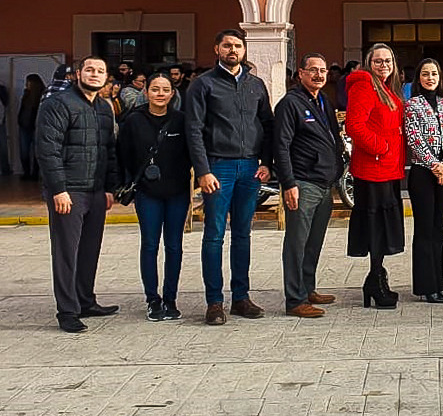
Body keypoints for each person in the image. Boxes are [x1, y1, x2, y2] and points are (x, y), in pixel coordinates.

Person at [185, 29, 274, 326]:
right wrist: (203, 170)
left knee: (243, 234)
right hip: (218, 167)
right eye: (227, 46)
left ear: (244, 50)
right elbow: (193, 130)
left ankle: (241, 297)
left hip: (250, 168)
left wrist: (267, 163)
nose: (232, 50)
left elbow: (267, 125)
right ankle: (214, 301)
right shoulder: (203, 85)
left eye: (237, 46)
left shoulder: (255, 85)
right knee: (214, 234)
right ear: (217, 49)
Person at [35, 56, 120, 333]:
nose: (95, 74)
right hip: (69, 191)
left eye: (100, 71)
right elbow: (48, 150)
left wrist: (109, 188)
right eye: (90, 69)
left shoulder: (104, 108)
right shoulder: (57, 104)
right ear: (78, 74)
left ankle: (86, 300)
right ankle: (68, 311)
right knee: (66, 253)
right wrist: (58, 189)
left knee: (89, 249)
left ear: (106, 77)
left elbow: (109, 151)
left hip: (96, 191)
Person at [273, 53, 344, 318]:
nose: (319, 75)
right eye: (313, 70)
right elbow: (281, 146)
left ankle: (308, 288)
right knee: (297, 244)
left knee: (313, 242)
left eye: (323, 70)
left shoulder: (323, 100)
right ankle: (295, 300)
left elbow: (333, 137)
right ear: (301, 73)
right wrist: (289, 183)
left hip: (324, 183)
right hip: (302, 183)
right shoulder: (290, 104)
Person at [118, 73, 191, 322]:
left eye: (165, 90)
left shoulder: (181, 120)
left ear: (173, 93)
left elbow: (192, 152)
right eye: (155, 89)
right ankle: (152, 299)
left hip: (177, 192)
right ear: (146, 92)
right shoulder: (133, 120)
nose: (160, 94)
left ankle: (170, 298)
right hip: (147, 193)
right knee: (150, 245)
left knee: (174, 246)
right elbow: (123, 154)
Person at [344, 43, 407, 309]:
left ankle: (378, 276)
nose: (383, 65)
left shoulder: (387, 88)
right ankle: (374, 280)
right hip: (373, 169)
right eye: (378, 61)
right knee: (375, 227)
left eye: (388, 61)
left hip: (389, 169)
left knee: (383, 226)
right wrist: (381, 147)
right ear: (369, 63)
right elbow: (354, 125)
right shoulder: (364, 86)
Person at [403, 58, 443, 303]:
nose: (430, 78)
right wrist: (434, 165)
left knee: (439, 229)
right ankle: (426, 286)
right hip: (423, 172)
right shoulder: (412, 105)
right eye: (425, 74)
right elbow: (414, 137)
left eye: (434, 73)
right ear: (418, 78)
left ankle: (440, 284)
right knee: (425, 229)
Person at [17, 74, 46, 181]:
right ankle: (27, 172)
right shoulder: (27, 94)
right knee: (24, 151)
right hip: (25, 125)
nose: (26, 84)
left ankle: (34, 174)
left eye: (28, 82)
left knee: (36, 151)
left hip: (35, 126)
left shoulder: (42, 95)